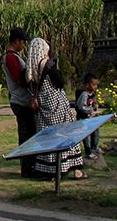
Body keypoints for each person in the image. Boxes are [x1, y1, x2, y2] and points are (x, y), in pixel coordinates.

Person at [27, 37, 85, 179]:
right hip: (57, 103)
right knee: (65, 134)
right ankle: (72, 167)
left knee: (47, 137)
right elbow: (59, 82)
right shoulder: (47, 64)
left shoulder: (31, 67)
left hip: (43, 103)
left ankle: (48, 169)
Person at [0, 27, 34, 178]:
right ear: (17, 41)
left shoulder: (13, 56)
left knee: (28, 134)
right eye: (23, 42)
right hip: (21, 100)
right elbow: (19, 79)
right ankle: (27, 169)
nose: (24, 45)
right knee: (26, 135)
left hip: (21, 99)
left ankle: (29, 166)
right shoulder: (11, 58)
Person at [76, 73, 101, 159]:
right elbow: (81, 106)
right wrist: (90, 110)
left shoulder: (93, 94)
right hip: (84, 119)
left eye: (96, 84)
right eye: (93, 84)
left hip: (92, 118)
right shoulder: (84, 95)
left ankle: (95, 147)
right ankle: (88, 151)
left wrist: (95, 106)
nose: (95, 86)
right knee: (87, 136)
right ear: (87, 84)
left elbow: (93, 103)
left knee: (96, 132)